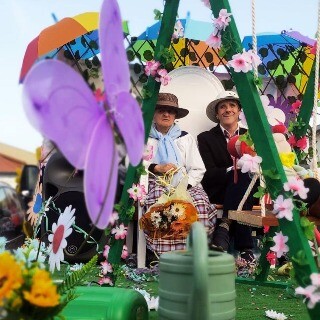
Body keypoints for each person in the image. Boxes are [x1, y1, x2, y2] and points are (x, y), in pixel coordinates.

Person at [142, 92, 217, 256]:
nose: (166, 114)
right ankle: (163, 257)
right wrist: (156, 167)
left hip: (186, 183)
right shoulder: (143, 138)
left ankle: (195, 255)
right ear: (154, 113)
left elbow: (197, 168)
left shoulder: (185, 138)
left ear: (175, 115)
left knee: (199, 206)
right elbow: (133, 164)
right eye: (161, 110)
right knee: (160, 207)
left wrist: (184, 187)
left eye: (170, 111)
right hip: (158, 183)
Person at [197, 90, 257, 262]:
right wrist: (233, 169)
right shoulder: (205, 138)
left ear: (239, 111)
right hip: (219, 189)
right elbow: (208, 173)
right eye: (222, 107)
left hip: (248, 190)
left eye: (232, 106)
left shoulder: (250, 136)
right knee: (241, 174)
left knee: (245, 175)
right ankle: (245, 248)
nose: (227, 110)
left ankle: (224, 226)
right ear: (217, 114)